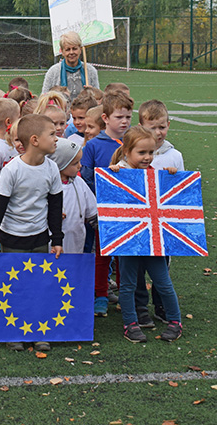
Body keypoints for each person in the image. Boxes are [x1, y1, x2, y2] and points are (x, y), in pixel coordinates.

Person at [0, 114, 64, 352]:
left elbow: (55, 206)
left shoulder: (52, 168)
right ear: (35, 140)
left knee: (38, 286)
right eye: (52, 134)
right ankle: (14, 332)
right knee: (16, 286)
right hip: (12, 238)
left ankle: (38, 331)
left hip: (40, 237)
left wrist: (57, 239)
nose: (57, 138)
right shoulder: (12, 170)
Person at [107, 126, 182, 343]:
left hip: (153, 240)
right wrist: (112, 176)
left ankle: (175, 322)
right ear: (126, 152)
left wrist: (170, 178)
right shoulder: (117, 173)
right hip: (128, 240)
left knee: (163, 282)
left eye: (151, 153)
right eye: (142, 153)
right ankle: (130, 324)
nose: (148, 157)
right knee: (128, 284)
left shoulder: (154, 174)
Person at [80, 91, 133, 317]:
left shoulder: (133, 141)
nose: (124, 122)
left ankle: (125, 295)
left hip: (130, 212)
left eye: (128, 117)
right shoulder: (94, 146)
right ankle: (100, 295)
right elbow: (87, 178)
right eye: (119, 117)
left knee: (126, 256)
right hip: (103, 212)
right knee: (102, 256)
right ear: (105, 118)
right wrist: (96, 205)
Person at [133, 99, 185, 326]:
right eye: (152, 127)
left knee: (161, 266)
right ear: (141, 126)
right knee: (136, 266)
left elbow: (181, 191)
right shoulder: (132, 152)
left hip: (162, 224)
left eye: (162, 126)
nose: (158, 132)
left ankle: (161, 304)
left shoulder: (174, 156)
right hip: (137, 222)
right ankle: (140, 306)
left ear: (169, 125)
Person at [47, 139, 97, 255]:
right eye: (75, 163)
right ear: (60, 164)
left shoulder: (79, 183)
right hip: (50, 247)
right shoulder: (45, 185)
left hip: (76, 246)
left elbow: (93, 214)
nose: (80, 166)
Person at [42, 31, 99, 100]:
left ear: (80, 50)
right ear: (62, 51)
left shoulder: (90, 70)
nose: (71, 52)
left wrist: (92, 93)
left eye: (74, 49)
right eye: (68, 49)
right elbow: (44, 97)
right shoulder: (53, 71)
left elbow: (98, 99)